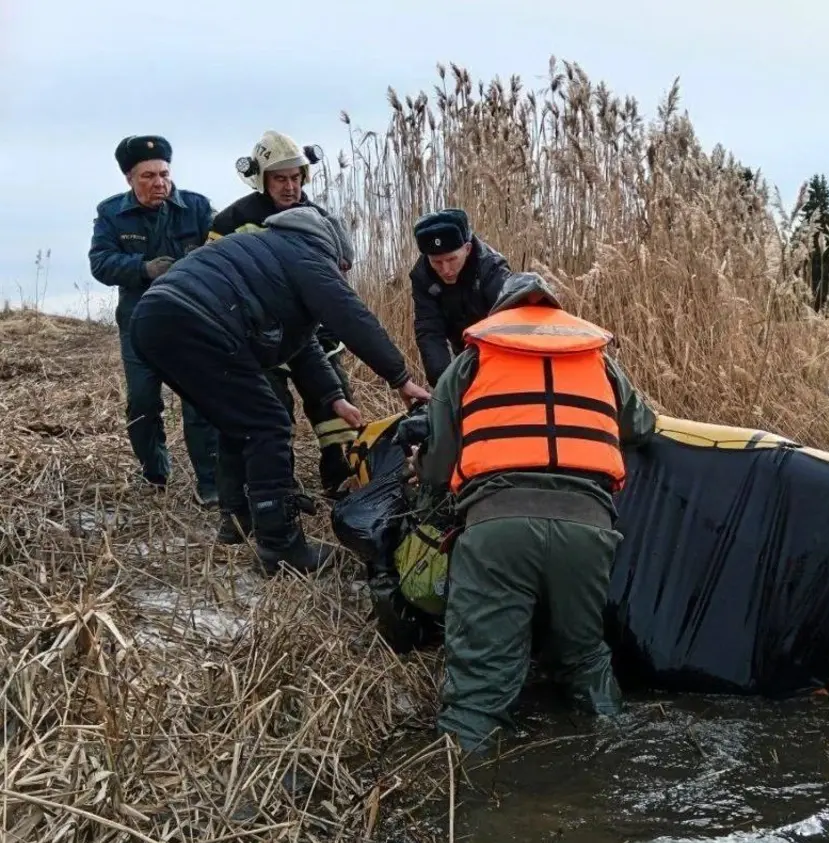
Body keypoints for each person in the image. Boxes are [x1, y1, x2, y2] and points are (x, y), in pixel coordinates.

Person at [413, 272, 658, 755]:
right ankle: (615, 763)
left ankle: (462, 798)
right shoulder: (600, 362)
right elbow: (642, 426)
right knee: (585, 659)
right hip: (587, 530)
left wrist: (421, 477)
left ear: (500, 314)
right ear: (556, 312)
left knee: (481, 684)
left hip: (496, 532)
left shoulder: (469, 362)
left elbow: (439, 465)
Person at [128, 205, 430, 575]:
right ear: (334, 251)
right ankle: (280, 545)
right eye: (342, 269)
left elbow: (303, 346)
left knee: (236, 420)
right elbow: (350, 315)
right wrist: (400, 377)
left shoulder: (268, 252)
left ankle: (238, 517)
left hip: (153, 320)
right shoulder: (305, 251)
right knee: (267, 422)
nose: (341, 277)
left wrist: (332, 396)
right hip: (195, 320)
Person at [208, 131, 360, 508]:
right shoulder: (232, 221)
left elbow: (335, 280)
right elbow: (217, 279)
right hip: (259, 339)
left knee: (334, 402)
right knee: (273, 411)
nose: (290, 186)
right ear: (262, 179)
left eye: (296, 177)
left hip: (314, 333)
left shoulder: (318, 219)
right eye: (280, 178)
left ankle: (339, 477)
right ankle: (282, 489)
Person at [88, 135, 220, 505]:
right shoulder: (112, 213)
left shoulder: (196, 208)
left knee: (200, 402)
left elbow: (222, 247)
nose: (159, 183)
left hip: (192, 322)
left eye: (164, 173)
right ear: (130, 178)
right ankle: (155, 472)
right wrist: (143, 268)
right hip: (139, 325)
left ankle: (210, 483)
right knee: (143, 403)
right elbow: (100, 263)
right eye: (148, 176)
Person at [409, 208, 512, 387]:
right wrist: (443, 384)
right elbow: (429, 331)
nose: (446, 270)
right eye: (437, 262)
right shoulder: (422, 276)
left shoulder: (491, 268)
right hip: (462, 350)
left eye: (452, 259)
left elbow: (510, 323)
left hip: (498, 352)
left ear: (467, 248)